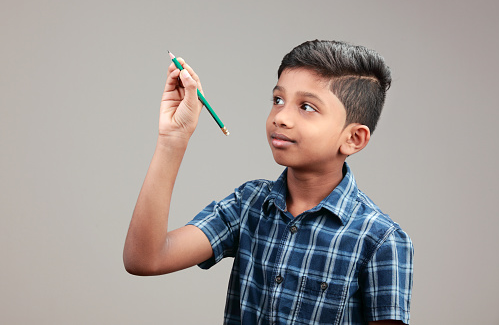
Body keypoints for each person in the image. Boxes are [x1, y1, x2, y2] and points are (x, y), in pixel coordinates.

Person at [123, 40, 414, 324]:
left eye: (307, 107)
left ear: (353, 138)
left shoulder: (380, 240)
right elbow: (145, 259)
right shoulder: (249, 204)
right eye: (278, 100)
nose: (281, 117)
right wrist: (173, 140)